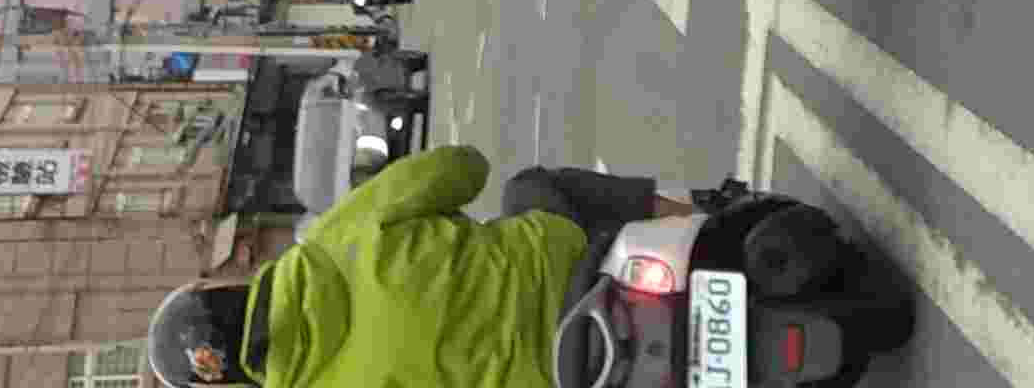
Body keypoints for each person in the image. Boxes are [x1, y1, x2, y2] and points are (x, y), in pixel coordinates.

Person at [146, 148, 711, 388]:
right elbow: (465, 168)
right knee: (533, 186)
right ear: (229, 289)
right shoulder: (333, 237)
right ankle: (701, 213)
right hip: (570, 267)